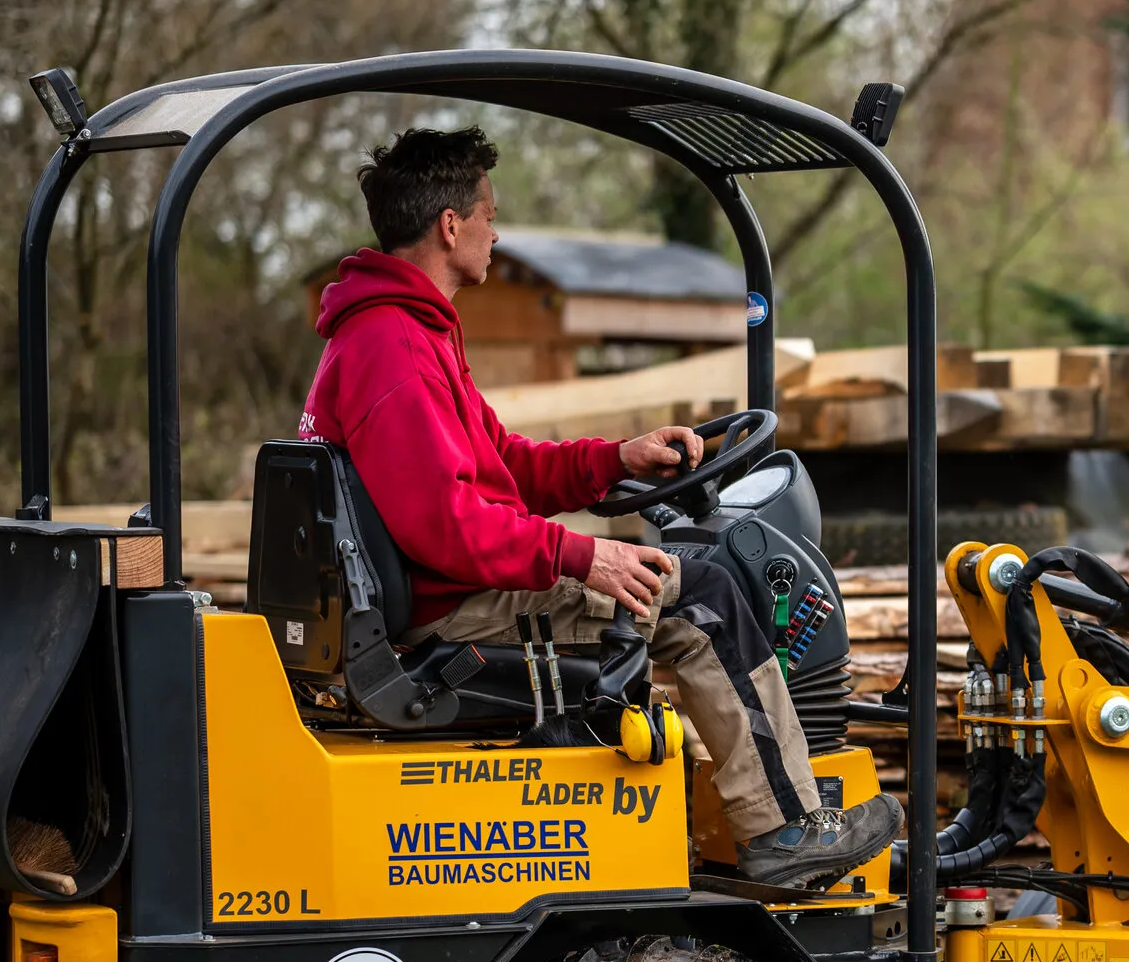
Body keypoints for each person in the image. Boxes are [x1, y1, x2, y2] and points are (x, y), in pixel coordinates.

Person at [298, 126, 901, 889]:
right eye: (488, 213)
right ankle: (782, 826)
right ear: (450, 226)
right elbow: (445, 526)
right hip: (451, 605)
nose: (496, 229)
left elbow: (502, 465)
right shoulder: (393, 345)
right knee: (704, 596)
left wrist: (616, 459)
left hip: (445, 588)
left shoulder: (407, 331)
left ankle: (752, 808)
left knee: (685, 577)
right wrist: (591, 554)